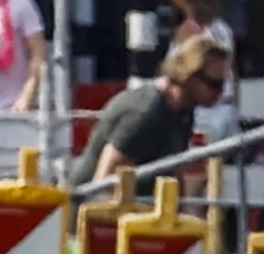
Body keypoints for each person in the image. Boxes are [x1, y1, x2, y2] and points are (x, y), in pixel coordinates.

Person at [80, 35, 228, 195]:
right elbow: (104, 184)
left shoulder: (183, 110)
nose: (220, 93)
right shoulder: (146, 113)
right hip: (95, 212)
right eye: (215, 84)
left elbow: (173, 173)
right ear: (190, 75)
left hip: (143, 212)